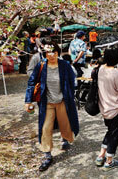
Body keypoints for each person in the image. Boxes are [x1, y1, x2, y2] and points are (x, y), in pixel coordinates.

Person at [24, 40, 79, 172]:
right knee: (46, 128)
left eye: (53, 52)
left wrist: (69, 96)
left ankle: (65, 139)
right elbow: (31, 82)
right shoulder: (41, 66)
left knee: (65, 123)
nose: (51, 55)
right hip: (47, 102)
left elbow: (73, 80)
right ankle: (47, 155)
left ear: (57, 53)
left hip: (62, 101)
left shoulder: (64, 65)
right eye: (48, 52)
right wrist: (28, 101)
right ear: (45, 53)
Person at [95, 48, 118, 171]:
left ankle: (101, 155)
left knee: (110, 131)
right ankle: (109, 161)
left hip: (104, 106)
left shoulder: (101, 69)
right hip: (115, 107)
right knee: (114, 134)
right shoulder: (116, 73)